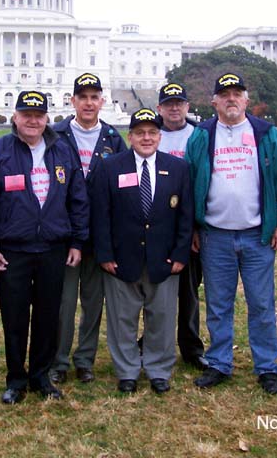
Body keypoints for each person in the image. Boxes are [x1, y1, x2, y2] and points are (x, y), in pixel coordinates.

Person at [0, 90, 89, 404]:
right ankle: (16, 379)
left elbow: (78, 199)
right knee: (14, 318)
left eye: (39, 116)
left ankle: (41, 376)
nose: (33, 121)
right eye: (27, 115)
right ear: (16, 117)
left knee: (47, 317)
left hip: (54, 247)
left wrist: (78, 241)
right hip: (14, 250)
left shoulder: (62, 150)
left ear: (46, 119)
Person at [185, 72, 277, 395]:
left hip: (256, 236)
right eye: (225, 94)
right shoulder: (202, 135)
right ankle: (219, 362)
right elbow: (190, 183)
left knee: (261, 303)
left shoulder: (266, 134)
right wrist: (194, 225)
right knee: (218, 304)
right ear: (214, 101)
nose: (231, 99)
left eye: (237, 93)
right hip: (215, 235)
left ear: (247, 99)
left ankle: (266, 366)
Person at [91, 108, 193, 394]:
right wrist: (105, 254)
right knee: (122, 318)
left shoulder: (179, 169)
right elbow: (101, 215)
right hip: (122, 258)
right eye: (139, 133)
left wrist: (180, 254)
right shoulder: (110, 167)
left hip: (164, 258)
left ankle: (158, 369)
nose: (146, 138)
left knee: (161, 317)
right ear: (130, 136)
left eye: (151, 133)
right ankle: (127, 371)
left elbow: (185, 217)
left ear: (160, 137)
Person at [50, 73, 127, 385]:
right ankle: (58, 360)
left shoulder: (112, 138)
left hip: (98, 236)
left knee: (93, 303)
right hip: (65, 234)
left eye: (94, 97)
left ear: (102, 102)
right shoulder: (55, 134)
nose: (88, 103)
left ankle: (85, 360)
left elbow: (123, 186)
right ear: (73, 101)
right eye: (83, 97)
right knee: (64, 304)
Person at [155, 82, 207, 370]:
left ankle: (191, 346)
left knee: (188, 290)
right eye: (169, 103)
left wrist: (196, 227)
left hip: (187, 227)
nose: (175, 108)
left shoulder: (199, 136)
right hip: (155, 225)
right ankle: (151, 340)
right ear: (160, 107)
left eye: (180, 103)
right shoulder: (149, 133)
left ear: (187, 107)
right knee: (153, 289)